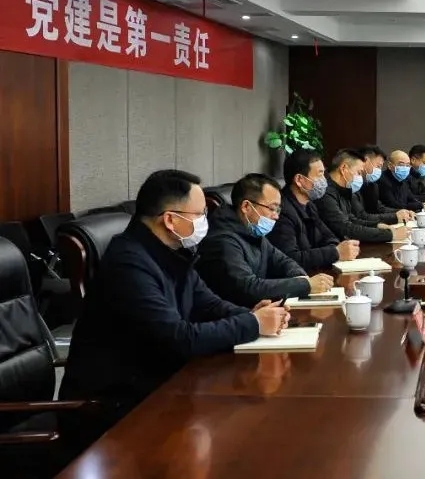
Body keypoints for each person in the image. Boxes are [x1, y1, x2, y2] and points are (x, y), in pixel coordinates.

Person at [59, 170, 289, 444]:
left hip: (158, 384)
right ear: (170, 219)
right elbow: (179, 338)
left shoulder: (171, 252)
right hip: (115, 409)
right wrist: (253, 323)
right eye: (200, 215)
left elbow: (209, 304)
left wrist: (253, 314)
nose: (206, 222)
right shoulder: (129, 263)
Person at [197, 173, 335, 307]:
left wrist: (300, 277)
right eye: (272, 208)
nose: (276, 216)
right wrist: (304, 285)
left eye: (278, 210)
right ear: (246, 207)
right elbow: (248, 288)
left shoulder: (252, 231)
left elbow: (283, 261)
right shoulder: (222, 241)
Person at [268, 150, 360, 274]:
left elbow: (328, 236)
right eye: (319, 175)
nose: (324, 180)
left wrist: (337, 249)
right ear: (299, 179)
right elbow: (290, 258)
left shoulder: (309, 204)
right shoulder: (281, 211)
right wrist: (335, 252)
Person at [317, 148, 409, 243]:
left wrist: (377, 225)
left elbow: (352, 220)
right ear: (344, 168)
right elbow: (345, 228)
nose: (360, 177)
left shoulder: (343, 189)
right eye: (359, 173)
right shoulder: (325, 193)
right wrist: (391, 235)